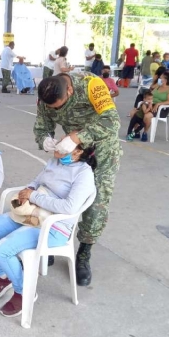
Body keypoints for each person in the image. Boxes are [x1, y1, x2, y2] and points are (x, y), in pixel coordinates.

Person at [0, 142, 97, 317]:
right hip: (32, 215)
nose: (57, 146)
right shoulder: (55, 161)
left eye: (64, 145)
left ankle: (24, 291)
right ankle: (3, 278)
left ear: (78, 152)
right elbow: (37, 181)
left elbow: (69, 207)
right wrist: (28, 190)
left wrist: (34, 196)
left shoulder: (83, 174)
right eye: (60, 142)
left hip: (53, 227)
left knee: (2, 250)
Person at [34, 73, 121, 286]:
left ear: (70, 91)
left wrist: (76, 137)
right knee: (57, 192)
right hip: (72, 153)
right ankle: (54, 241)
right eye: (51, 108)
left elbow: (112, 121)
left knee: (95, 205)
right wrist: (44, 138)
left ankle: (84, 254)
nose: (55, 110)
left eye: (58, 106)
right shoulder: (48, 93)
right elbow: (42, 124)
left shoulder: (92, 85)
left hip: (102, 152)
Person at [141, 71, 169, 142]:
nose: (159, 79)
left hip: (162, 109)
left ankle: (145, 132)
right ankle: (136, 132)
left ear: (165, 80)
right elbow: (150, 93)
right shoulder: (158, 86)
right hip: (151, 104)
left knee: (147, 116)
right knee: (134, 112)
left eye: (160, 78)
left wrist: (158, 104)